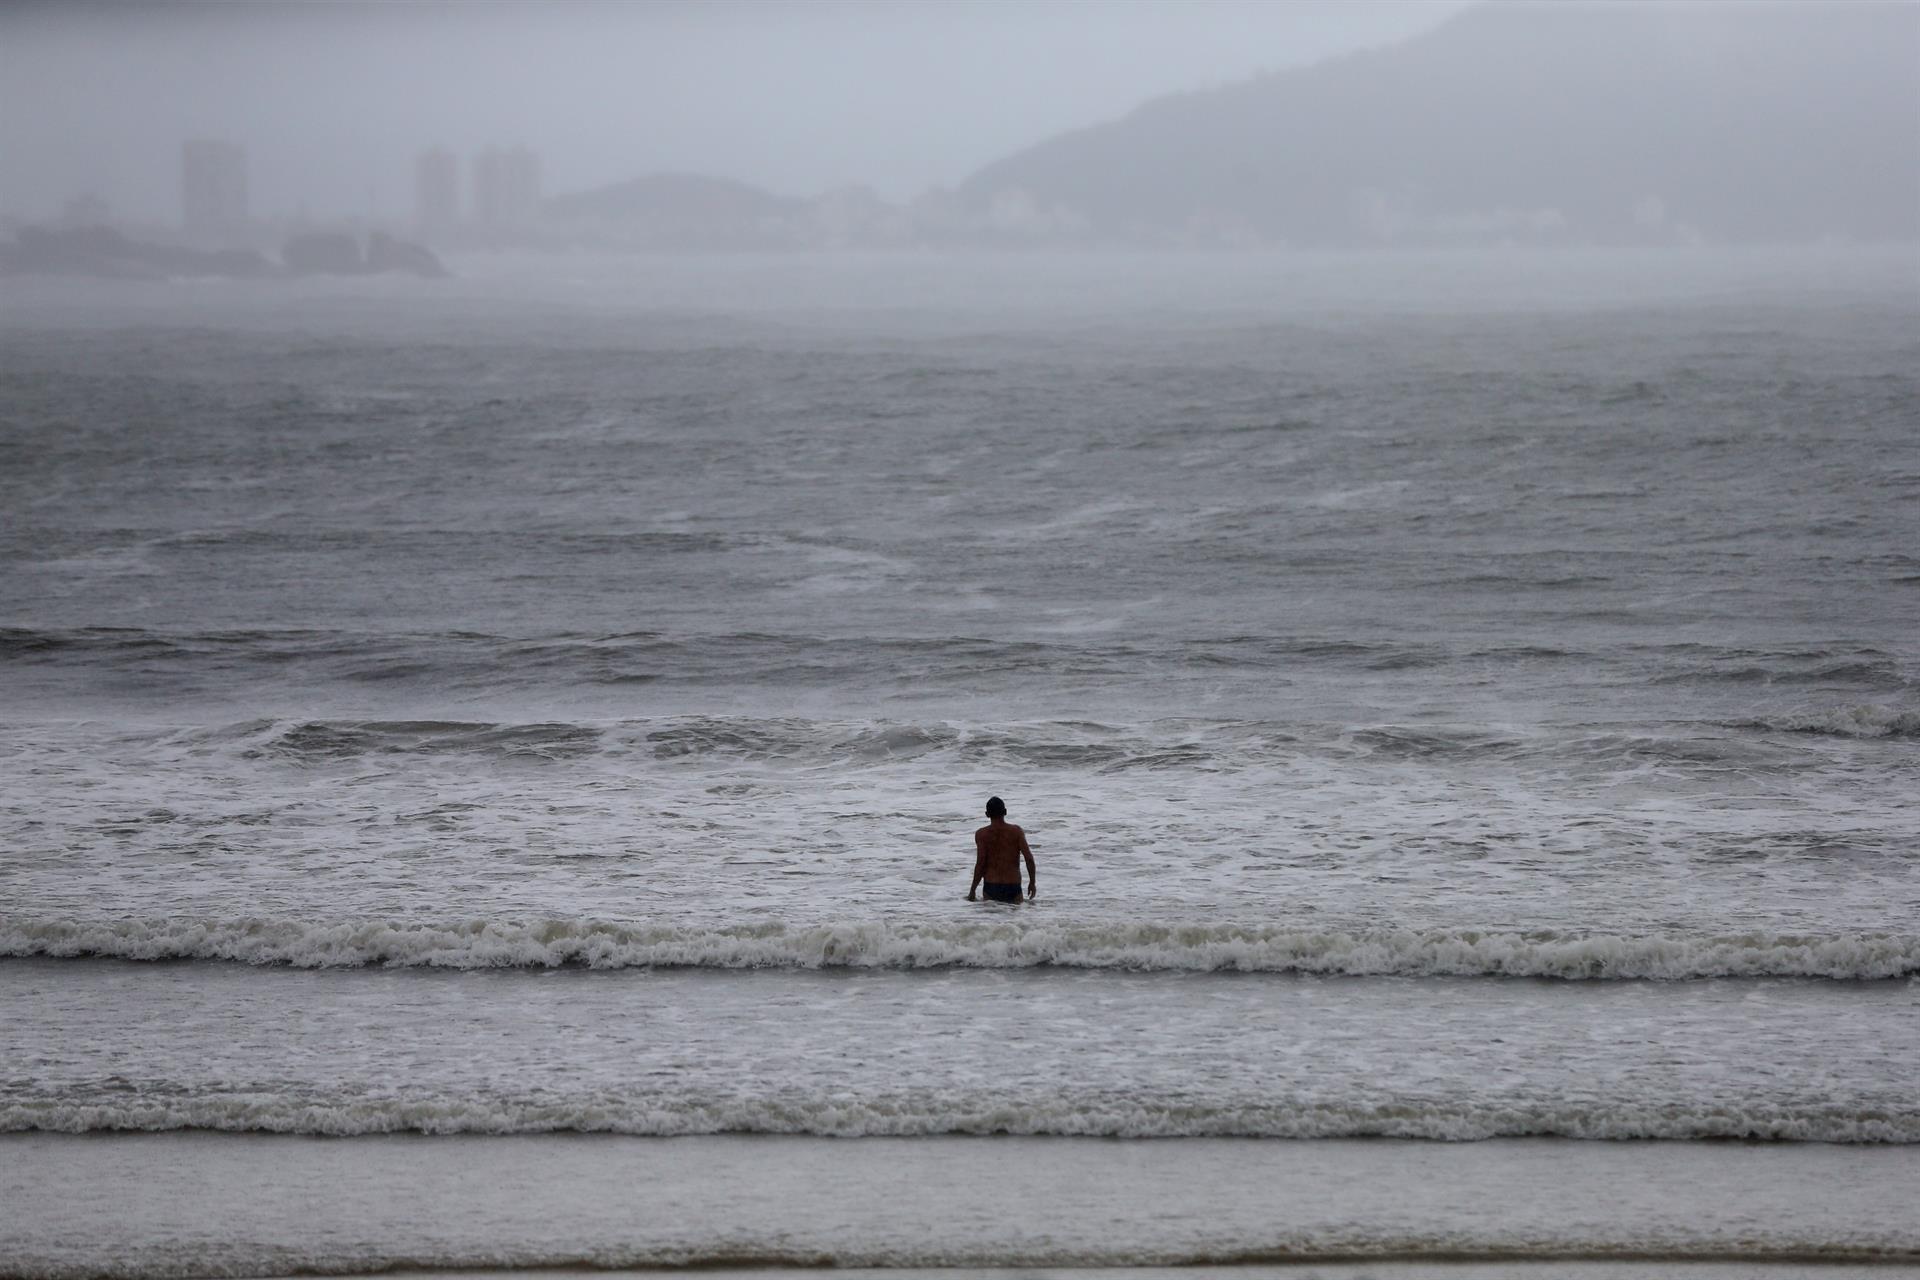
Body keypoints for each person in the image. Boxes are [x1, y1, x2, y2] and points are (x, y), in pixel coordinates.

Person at [968, 795, 1035, 903]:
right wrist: (1032, 883)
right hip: (1013, 886)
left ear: (987, 814)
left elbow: (981, 863)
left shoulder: (982, 834)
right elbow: (1029, 859)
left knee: (990, 918)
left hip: (991, 886)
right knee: (1016, 919)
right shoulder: (1016, 832)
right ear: (1005, 811)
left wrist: (972, 890)